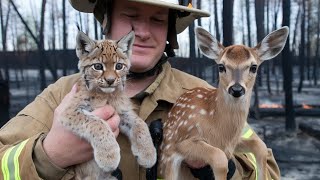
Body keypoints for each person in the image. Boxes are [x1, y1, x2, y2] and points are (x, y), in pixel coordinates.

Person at [0, 0, 280, 179]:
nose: (144, 32)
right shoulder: (62, 95)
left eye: (158, 20)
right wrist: (49, 156)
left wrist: (226, 169)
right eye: (130, 15)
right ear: (106, 19)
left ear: (171, 31)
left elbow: (266, 169)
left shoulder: (204, 95)